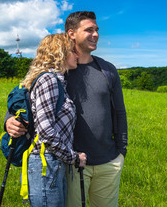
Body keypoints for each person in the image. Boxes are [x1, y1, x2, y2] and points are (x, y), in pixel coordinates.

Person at [6, 33, 87, 207]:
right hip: (46, 164)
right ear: (61, 53)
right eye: (73, 51)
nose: (77, 55)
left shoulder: (57, 81)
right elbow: (46, 132)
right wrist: (73, 157)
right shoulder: (48, 80)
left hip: (53, 163)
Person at [64, 11, 128, 207]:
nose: (96, 34)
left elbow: (119, 111)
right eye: (89, 30)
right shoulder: (58, 69)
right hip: (70, 163)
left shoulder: (107, 69)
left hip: (108, 162)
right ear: (71, 34)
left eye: (97, 30)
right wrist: (10, 119)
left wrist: (121, 151)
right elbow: (25, 96)